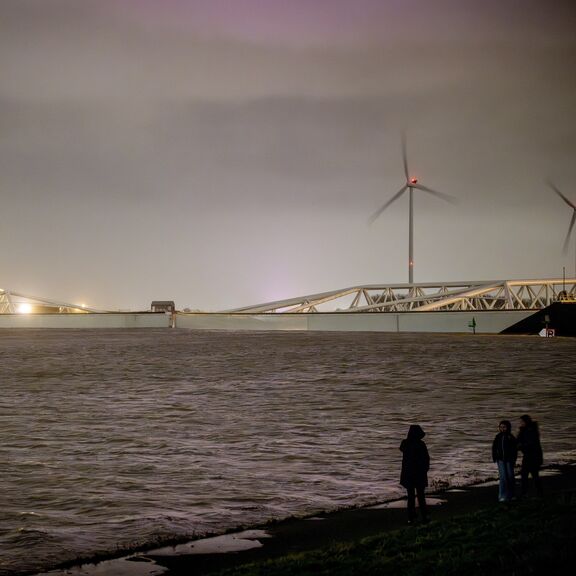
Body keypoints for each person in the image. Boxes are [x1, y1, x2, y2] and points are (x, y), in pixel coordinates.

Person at [400, 424, 430, 524]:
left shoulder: (405, 444)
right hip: (419, 474)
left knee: (411, 497)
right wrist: (425, 469)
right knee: (421, 496)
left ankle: (411, 517)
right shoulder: (421, 444)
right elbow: (426, 459)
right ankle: (424, 516)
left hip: (409, 474)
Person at [517, 414, 544, 497]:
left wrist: (520, 446)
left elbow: (531, 444)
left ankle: (531, 492)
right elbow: (519, 441)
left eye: (521, 421)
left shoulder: (531, 430)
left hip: (533, 456)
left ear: (526, 421)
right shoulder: (524, 430)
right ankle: (527, 492)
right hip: (528, 455)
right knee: (527, 474)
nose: (520, 423)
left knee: (531, 475)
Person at [491, 420, 517, 502]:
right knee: (503, 478)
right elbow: (494, 448)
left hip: (509, 459)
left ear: (508, 427)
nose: (502, 429)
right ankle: (502, 496)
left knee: (510, 477)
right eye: (501, 427)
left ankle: (511, 495)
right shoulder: (498, 436)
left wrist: (514, 458)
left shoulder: (511, 437)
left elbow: (514, 449)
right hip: (500, 460)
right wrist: (494, 457)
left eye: (504, 427)